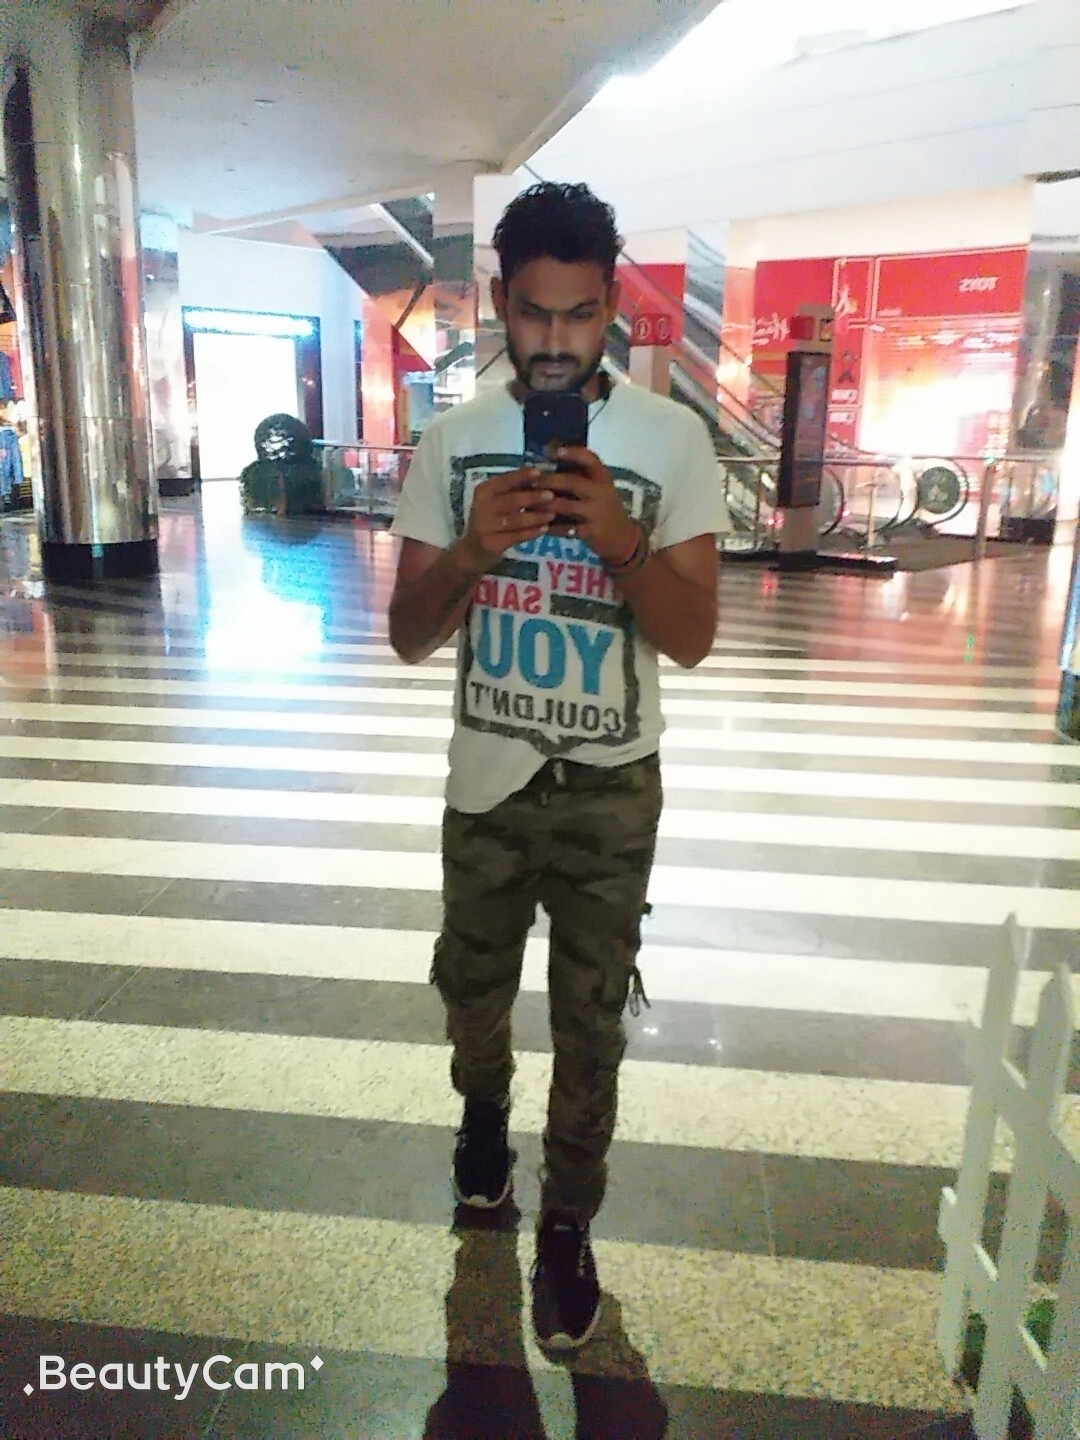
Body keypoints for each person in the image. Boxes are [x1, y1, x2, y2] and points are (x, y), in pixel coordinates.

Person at [388, 181, 728, 1351]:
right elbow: (407, 634)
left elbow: (693, 637)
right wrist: (470, 553)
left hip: (612, 792)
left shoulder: (673, 441)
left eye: (580, 316)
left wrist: (622, 542)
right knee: (473, 996)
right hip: (485, 782)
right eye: (534, 312)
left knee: (592, 1023)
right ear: (500, 301)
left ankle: (569, 1225)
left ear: (610, 309)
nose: (554, 341)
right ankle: (483, 1117)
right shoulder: (451, 441)